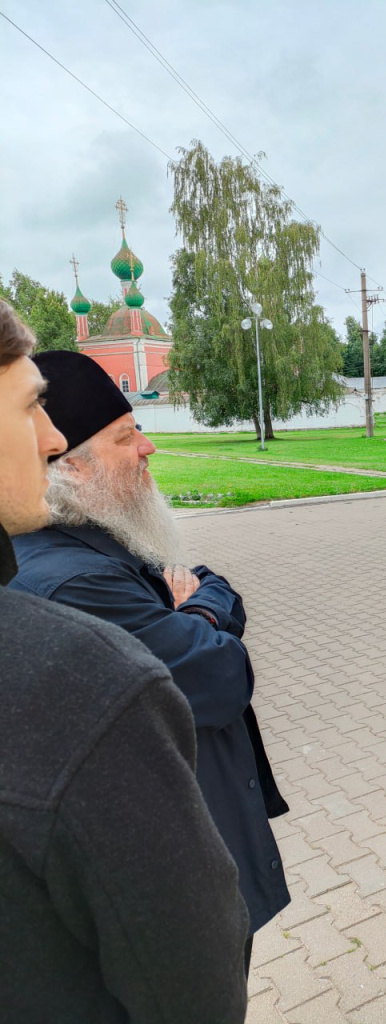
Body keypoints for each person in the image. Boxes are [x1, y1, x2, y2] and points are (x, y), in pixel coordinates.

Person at [0, 301, 249, 1023]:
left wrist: (194, 606)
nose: (148, 447)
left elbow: (201, 580)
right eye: (125, 435)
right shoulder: (71, 618)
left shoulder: (96, 545)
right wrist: (198, 612)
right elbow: (222, 673)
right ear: (74, 470)